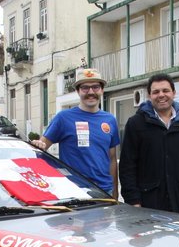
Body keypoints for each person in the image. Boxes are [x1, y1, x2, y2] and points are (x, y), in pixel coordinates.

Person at [119, 73, 179, 215]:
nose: (161, 95)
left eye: (165, 90)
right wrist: (132, 199)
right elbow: (127, 165)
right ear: (149, 95)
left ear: (174, 93)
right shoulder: (136, 123)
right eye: (156, 92)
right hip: (148, 199)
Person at [32, 67, 119, 197]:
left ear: (102, 90)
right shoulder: (63, 118)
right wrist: (38, 145)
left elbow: (112, 159)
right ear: (78, 91)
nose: (91, 92)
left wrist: (115, 191)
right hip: (74, 191)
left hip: (104, 191)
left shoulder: (110, 120)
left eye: (95, 87)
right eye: (85, 88)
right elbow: (41, 148)